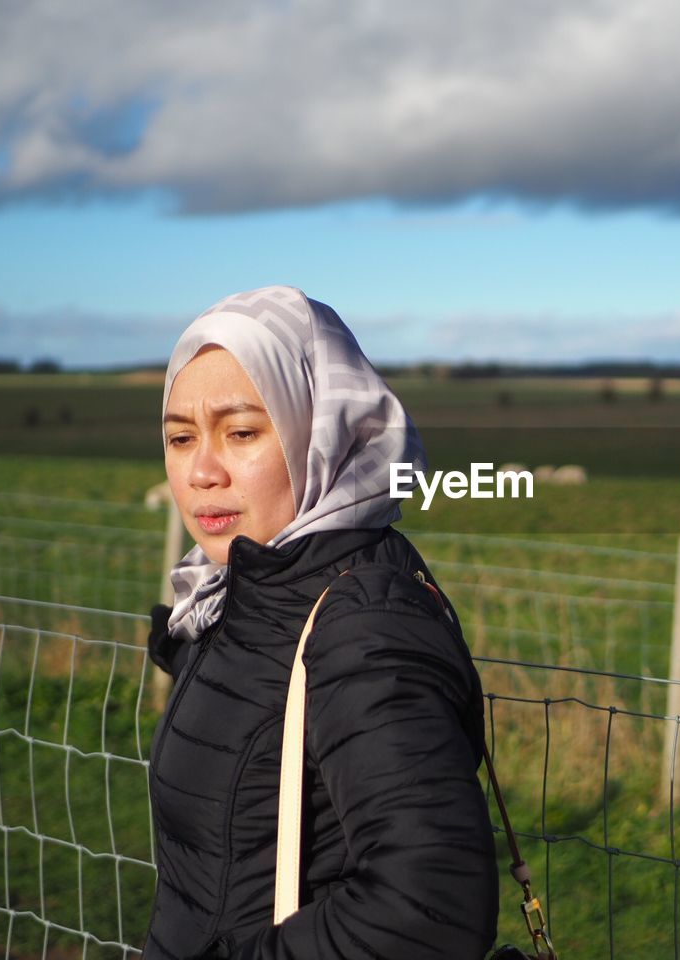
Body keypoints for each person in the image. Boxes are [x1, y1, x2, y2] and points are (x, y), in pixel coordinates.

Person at [143, 285, 499, 959]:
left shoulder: (361, 623)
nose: (200, 471)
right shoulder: (236, 592)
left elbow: (429, 909)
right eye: (180, 437)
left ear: (323, 434)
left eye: (241, 432)